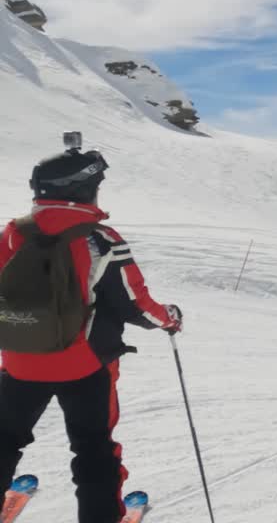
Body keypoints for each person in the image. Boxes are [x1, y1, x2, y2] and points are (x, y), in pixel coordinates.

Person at [0, 143, 181, 523]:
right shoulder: (101, 239)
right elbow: (136, 303)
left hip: (19, 362)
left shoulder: (13, 234)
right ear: (83, 190)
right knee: (94, 450)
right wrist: (169, 320)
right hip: (84, 368)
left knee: (3, 439)